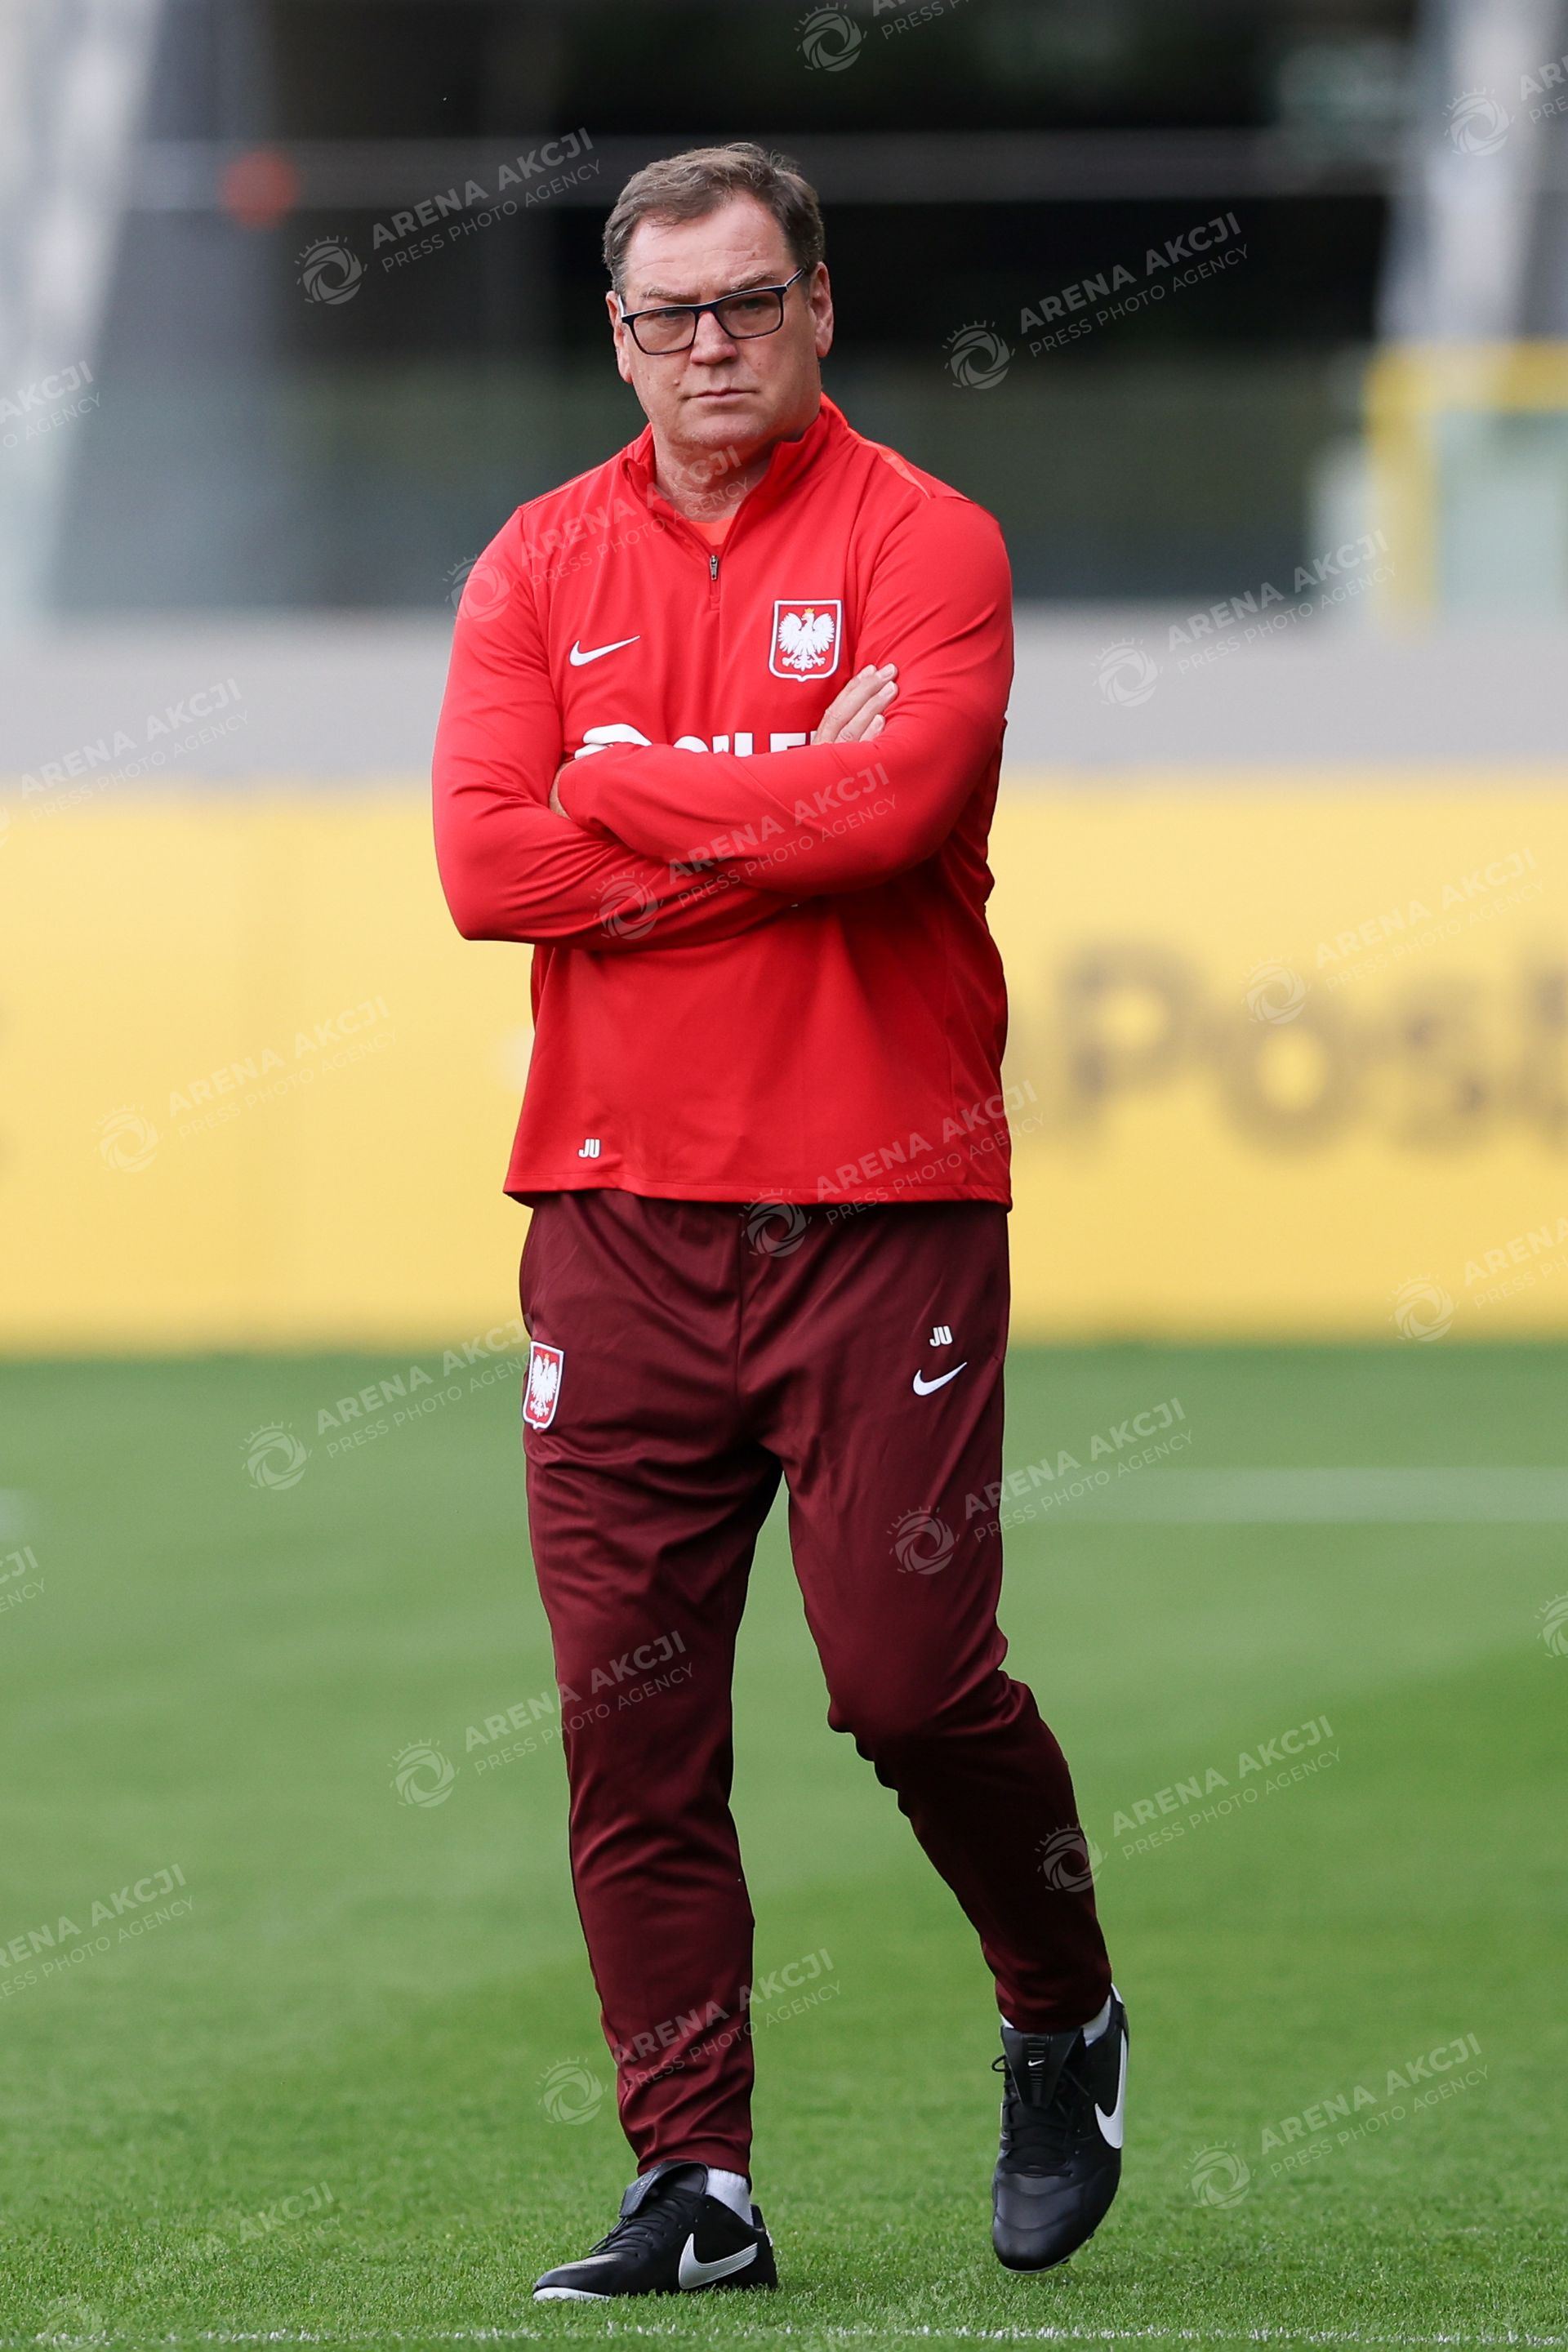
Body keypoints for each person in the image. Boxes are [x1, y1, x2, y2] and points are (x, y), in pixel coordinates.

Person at [432, 139, 1125, 2303]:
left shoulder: (930, 540)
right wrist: (772, 808)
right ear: (619, 335)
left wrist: (626, 783)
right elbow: (486, 873)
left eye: (749, 302)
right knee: (629, 1726)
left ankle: (1060, 2010)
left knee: (909, 1686)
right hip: (613, 1220)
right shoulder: (536, 560)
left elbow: (891, 814)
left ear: (820, 304)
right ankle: (698, 2184)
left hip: (881, 1203)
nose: (711, 346)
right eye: (671, 315)